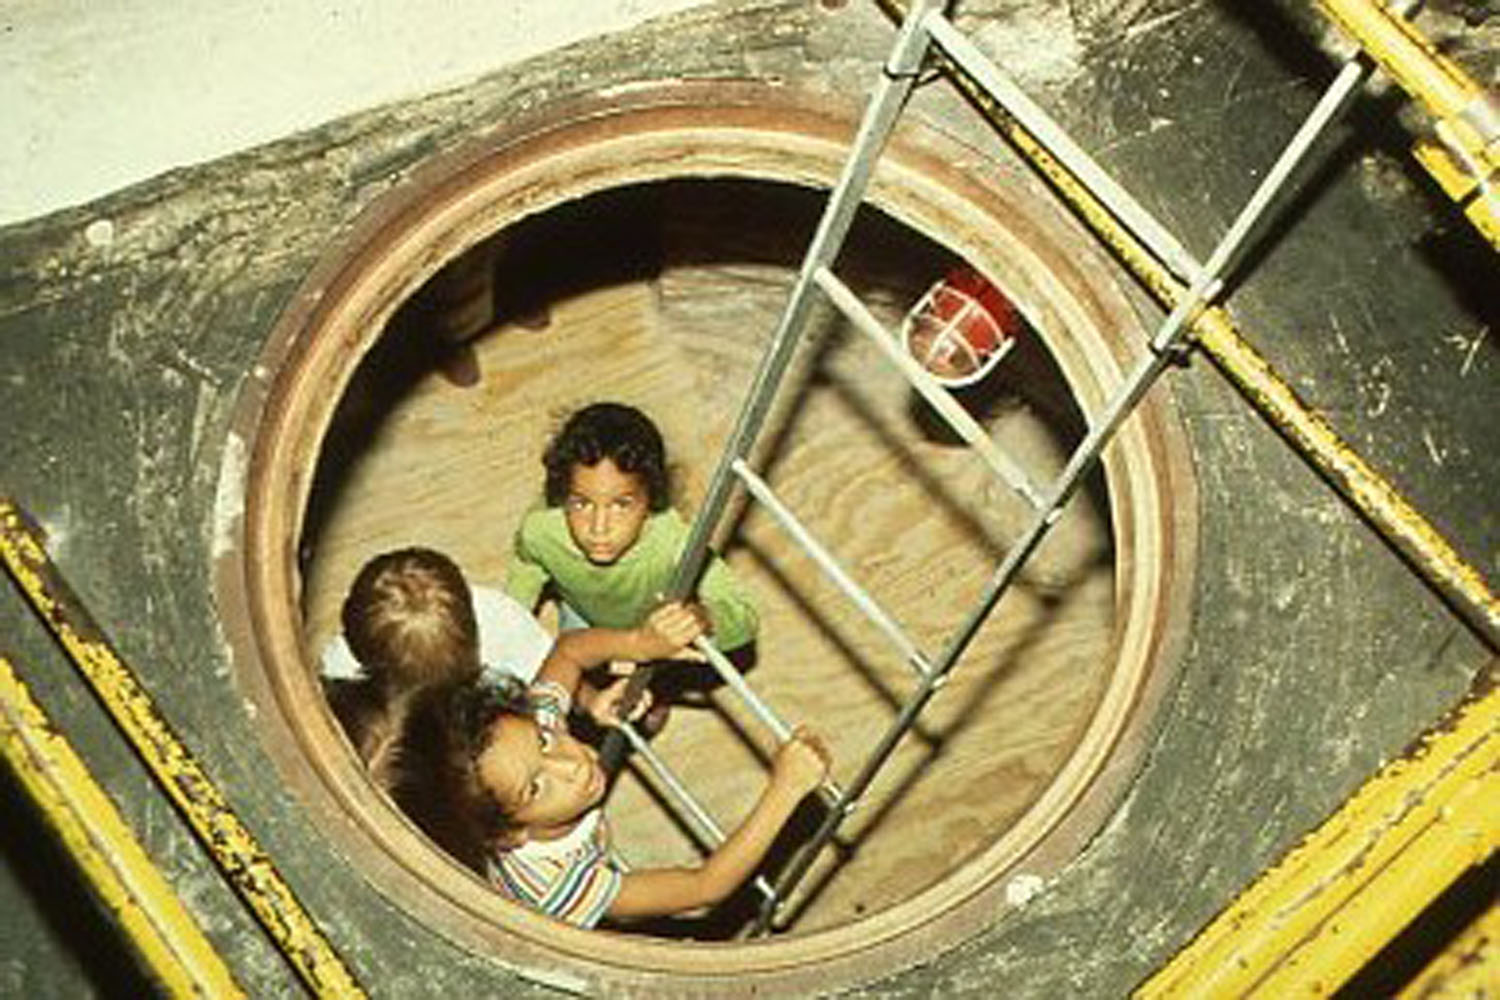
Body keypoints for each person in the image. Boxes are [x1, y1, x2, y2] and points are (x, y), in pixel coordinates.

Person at [457, 602, 831, 929]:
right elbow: (705, 887)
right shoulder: (561, 884)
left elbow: (568, 651)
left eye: (545, 742)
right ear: (511, 836)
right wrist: (787, 789)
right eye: (536, 787)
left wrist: (639, 644)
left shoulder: (530, 729)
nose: (569, 765)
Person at [505, 402, 760, 722]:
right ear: (563, 494)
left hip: (648, 621)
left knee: (661, 658)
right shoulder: (541, 531)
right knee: (571, 674)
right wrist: (512, 626)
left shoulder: (676, 542)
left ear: (651, 499)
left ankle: (657, 690)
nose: (599, 528)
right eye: (581, 503)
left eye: (621, 504)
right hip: (581, 616)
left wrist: (705, 619)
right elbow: (523, 575)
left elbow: (744, 618)